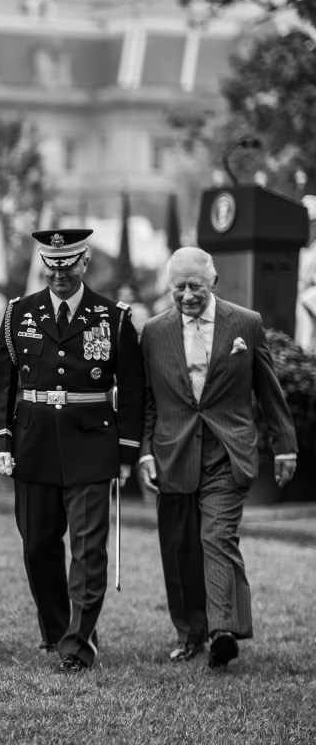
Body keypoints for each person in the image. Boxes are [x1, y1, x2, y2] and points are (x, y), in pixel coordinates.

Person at [0, 229, 144, 674]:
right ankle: (59, 631)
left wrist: (128, 453)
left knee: (88, 549)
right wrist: (0, 440)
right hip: (33, 443)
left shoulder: (112, 316)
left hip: (92, 445)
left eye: (69, 264)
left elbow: (132, 391)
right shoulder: (18, 313)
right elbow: (2, 383)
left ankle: (79, 643)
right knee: (37, 546)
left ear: (84, 263)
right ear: (44, 264)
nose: (59, 273)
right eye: (52, 264)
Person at [139, 247, 297, 669]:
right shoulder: (153, 332)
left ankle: (222, 630)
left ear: (214, 283)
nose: (188, 295)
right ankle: (189, 635)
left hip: (228, 451)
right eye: (179, 288)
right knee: (179, 547)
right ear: (169, 287)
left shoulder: (246, 323)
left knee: (217, 536)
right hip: (172, 451)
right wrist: (143, 454)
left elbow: (268, 390)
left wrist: (285, 445)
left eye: (196, 286)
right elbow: (148, 402)